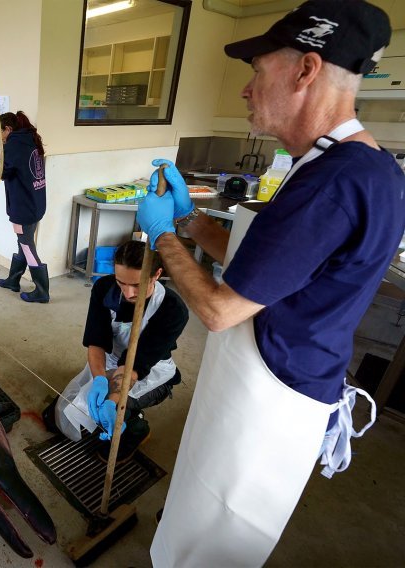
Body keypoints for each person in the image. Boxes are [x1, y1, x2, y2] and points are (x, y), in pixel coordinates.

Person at [135, 2, 405, 565]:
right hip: (290, 375)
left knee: (219, 535)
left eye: (258, 71)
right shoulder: (359, 165)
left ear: (306, 71)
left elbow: (219, 309)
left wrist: (161, 236)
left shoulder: (332, 183)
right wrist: (192, 219)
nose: (246, 90)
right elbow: (275, 264)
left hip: (269, 395)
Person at [44, 240, 188, 463]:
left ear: (157, 274)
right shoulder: (105, 288)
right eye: (122, 282)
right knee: (55, 418)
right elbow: (96, 342)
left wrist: (113, 399)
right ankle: (114, 406)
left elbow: (136, 364)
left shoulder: (172, 309)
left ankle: (136, 427)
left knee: (112, 407)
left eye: (137, 285)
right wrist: (100, 379)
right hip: (112, 361)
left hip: (148, 371)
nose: (129, 293)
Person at [0, 111, 49, 303]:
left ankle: (42, 290)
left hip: (23, 206)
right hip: (35, 203)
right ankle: (13, 280)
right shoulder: (29, 139)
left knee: (26, 244)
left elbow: (3, 172)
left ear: (7, 129)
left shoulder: (14, 144)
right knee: (23, 242)